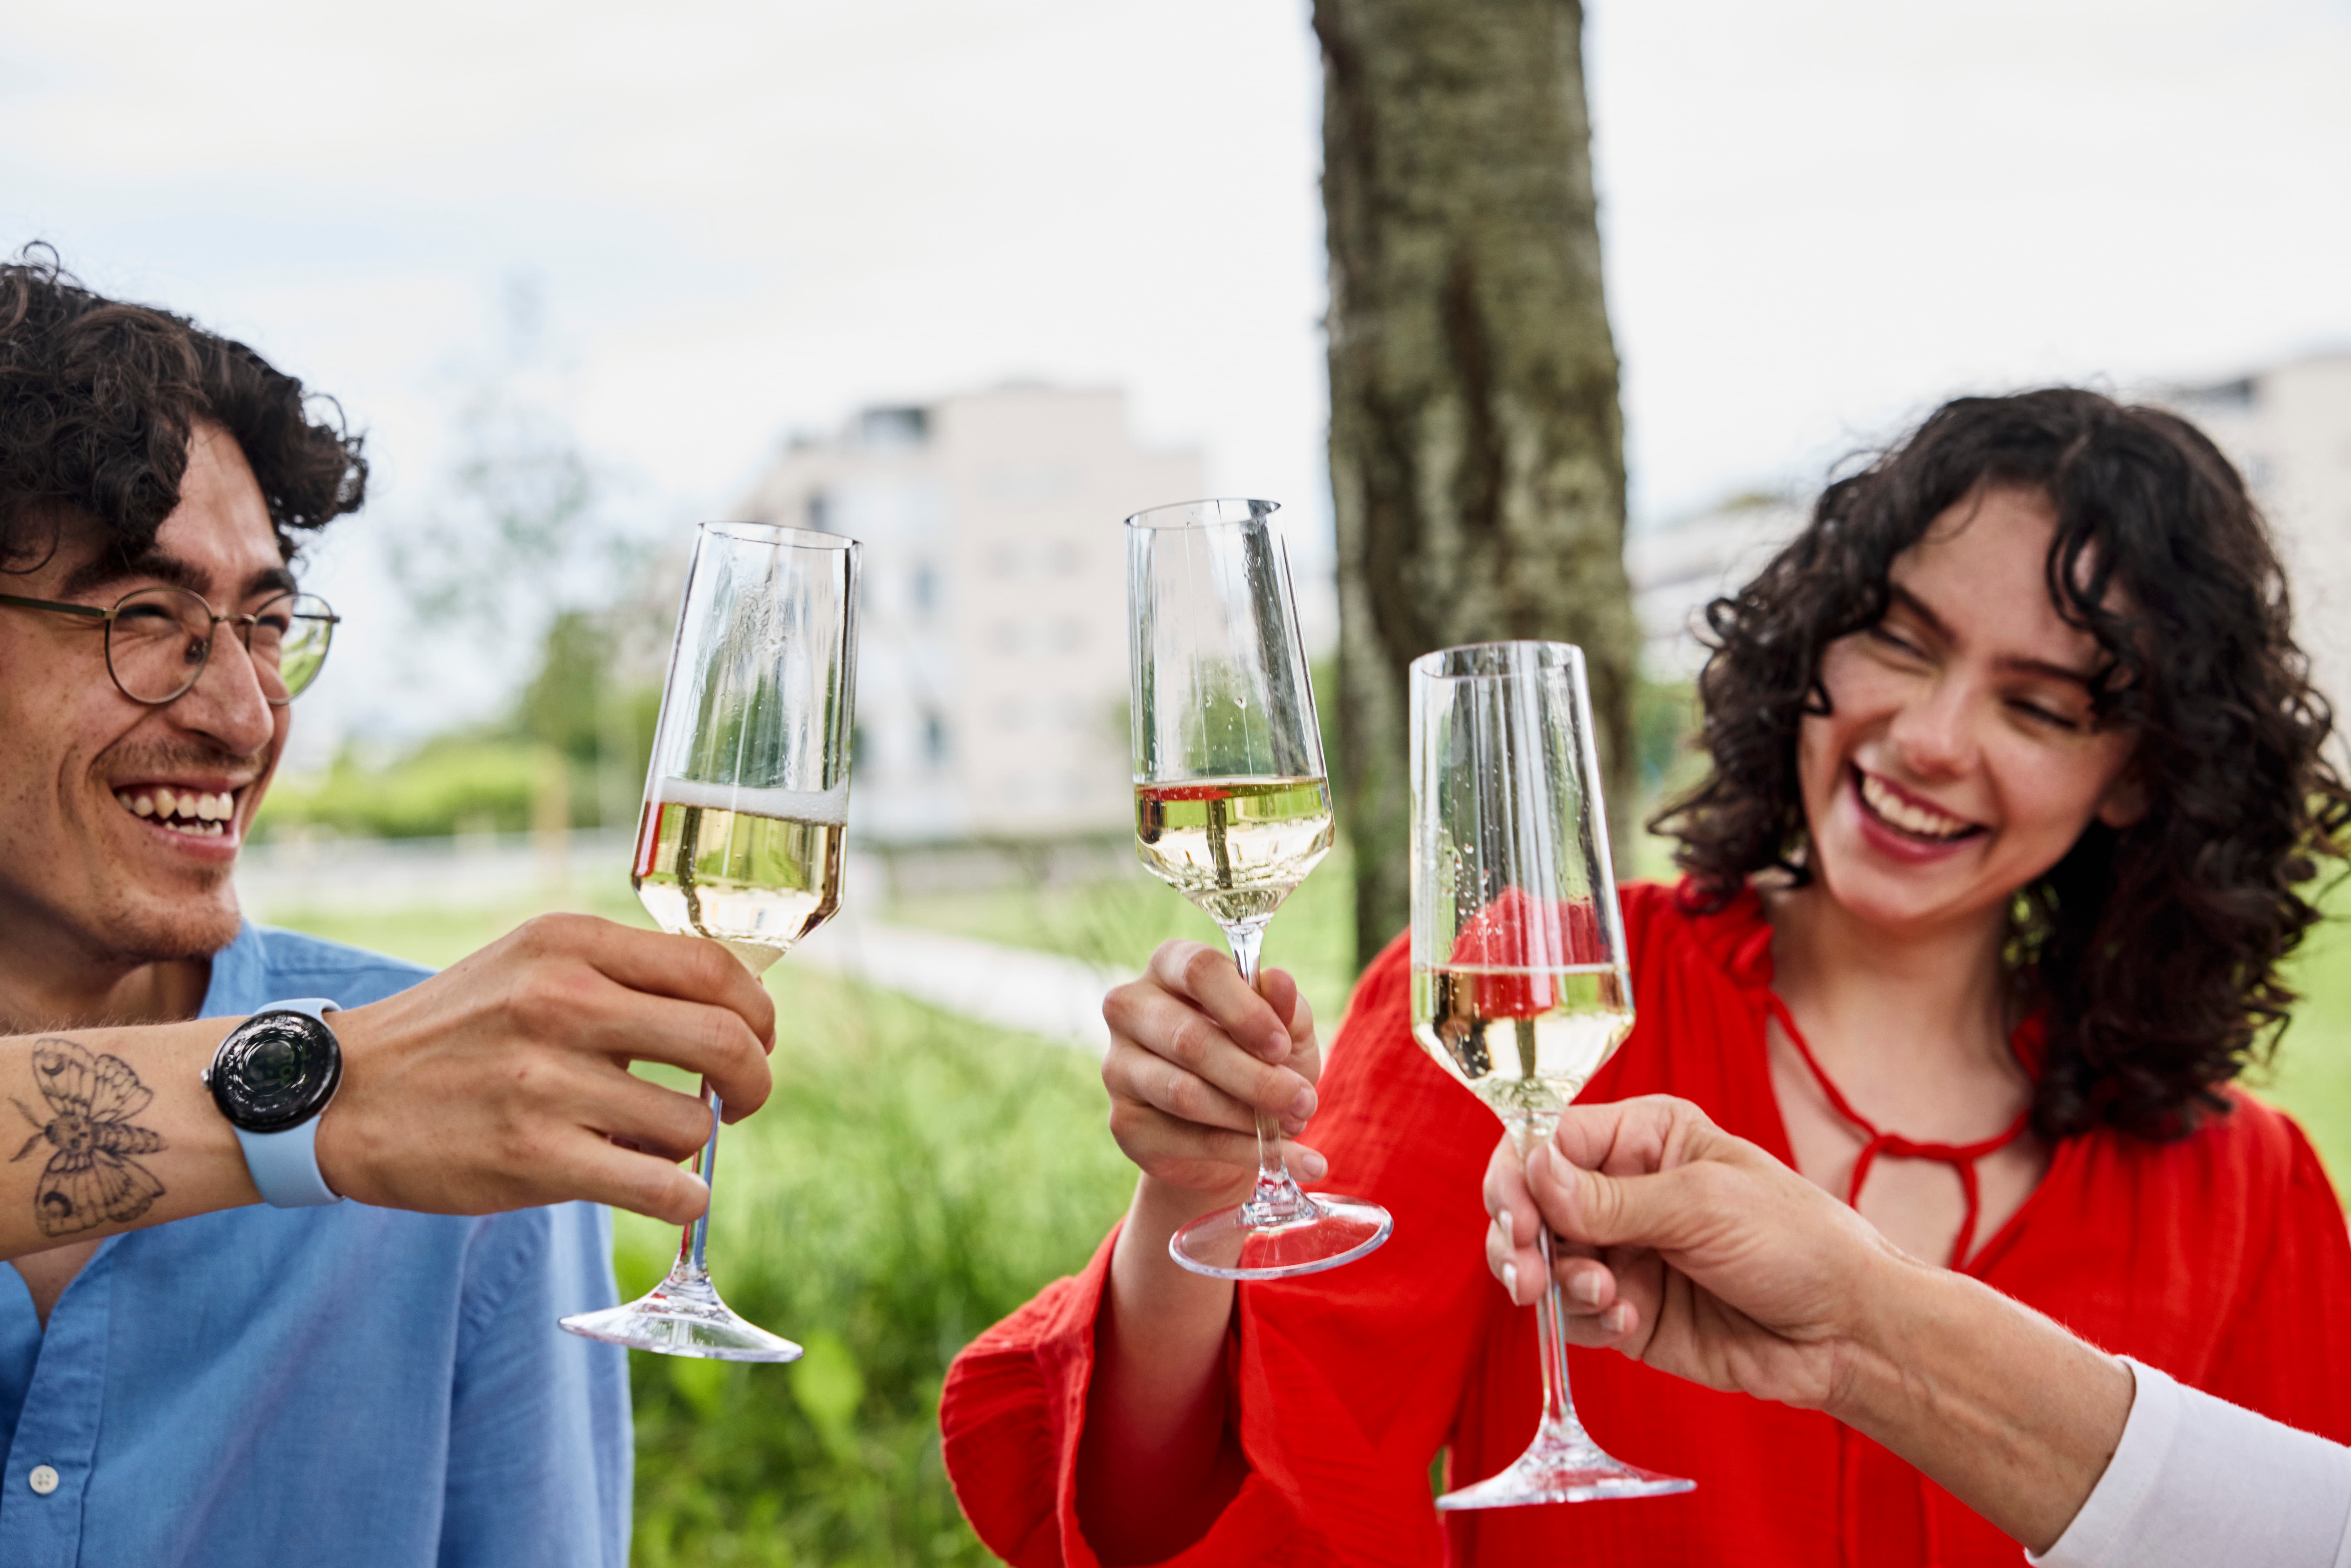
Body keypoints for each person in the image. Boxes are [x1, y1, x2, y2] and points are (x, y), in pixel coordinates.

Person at [938, 387, 2351, 1566]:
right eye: (1898, 638)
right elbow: (1176, 1507)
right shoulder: (1521, 984)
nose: (1927, 736)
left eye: (2038, 704)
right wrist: (1192, 1200)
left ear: (2140, 778)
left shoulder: (2249, 1195)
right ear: (1814, 638)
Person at [0, 250, 778, 1566]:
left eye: (264, 623)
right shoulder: (421, 1078)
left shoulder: (484, 1136)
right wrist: (322, 1095)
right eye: (145, 614)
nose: (244, 715)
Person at [1484, 1094, 2351, 1566]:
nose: (1932, 750)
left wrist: (1861, 1332)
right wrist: (1858, 1330)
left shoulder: (2246, 1183)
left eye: (2050, 744)